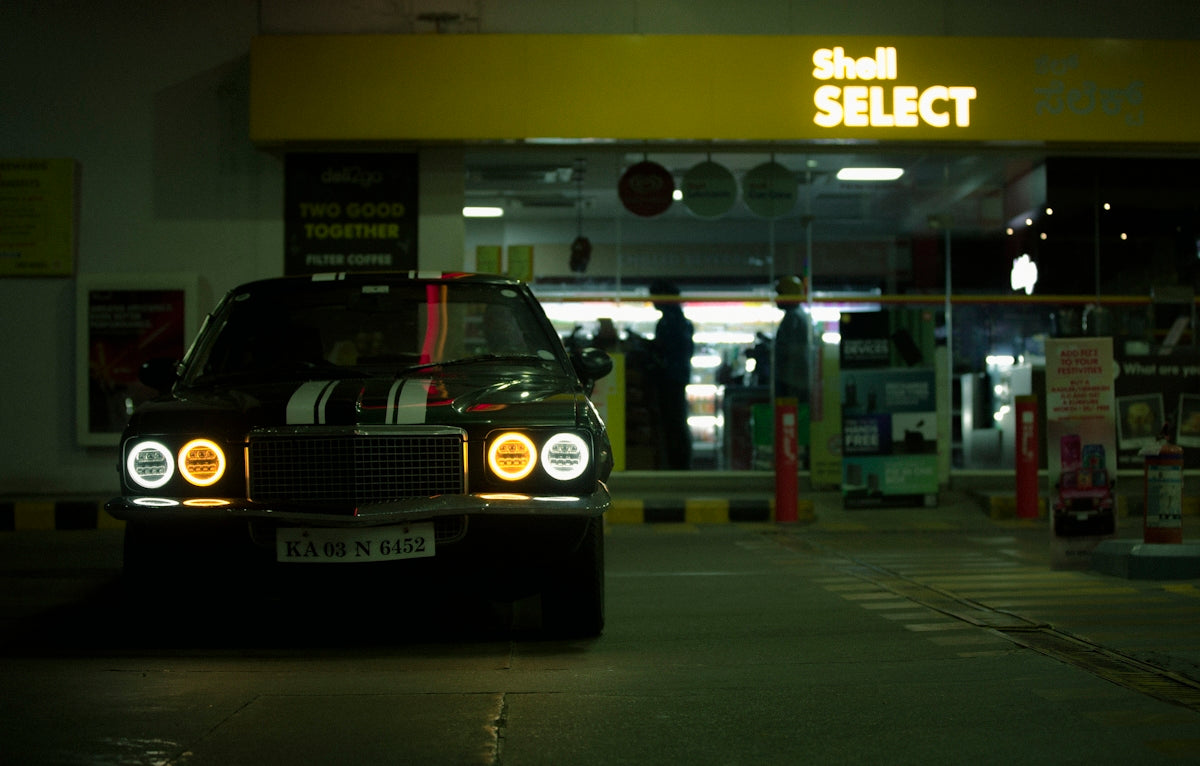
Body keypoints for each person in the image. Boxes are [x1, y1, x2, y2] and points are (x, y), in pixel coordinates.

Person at [649, 279, 694, 470]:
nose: (653, 302)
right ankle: (679, 463)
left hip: (670, 380)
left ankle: (676, 463)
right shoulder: (679, 320)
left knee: (672, 422)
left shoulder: (670, 322)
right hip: (676, 378)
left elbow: (667, 351)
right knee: (676, 421)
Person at [773, 275, 811, 404]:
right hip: (794, 378)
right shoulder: (797, 315)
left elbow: (787, 348)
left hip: (792, 380)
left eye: (780, 294)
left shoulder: (793, 317)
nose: (777, 298)